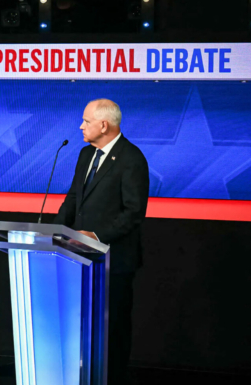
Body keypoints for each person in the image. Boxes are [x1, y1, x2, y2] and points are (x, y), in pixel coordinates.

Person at [53, 98, 149, 385]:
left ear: (104, 125)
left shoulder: (132, 159)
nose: (81, 126)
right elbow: (73, 199)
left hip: (114, 261)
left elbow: (133, 212)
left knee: (113, 329)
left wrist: (97, 236)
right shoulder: (85, 155)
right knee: (82, 327)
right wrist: (52, 233)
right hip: (79, 257)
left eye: (86, 121)